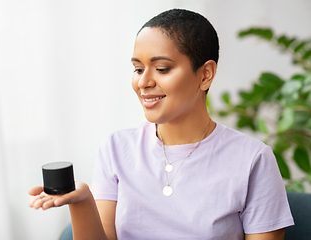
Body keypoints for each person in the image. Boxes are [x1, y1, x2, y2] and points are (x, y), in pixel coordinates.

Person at [29, 9, 294, 240]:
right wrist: (82, 200)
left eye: (162, 69)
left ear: (205, 75)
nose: (143, 82)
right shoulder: (116, 148)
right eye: (137, 68)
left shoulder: (253, 159)